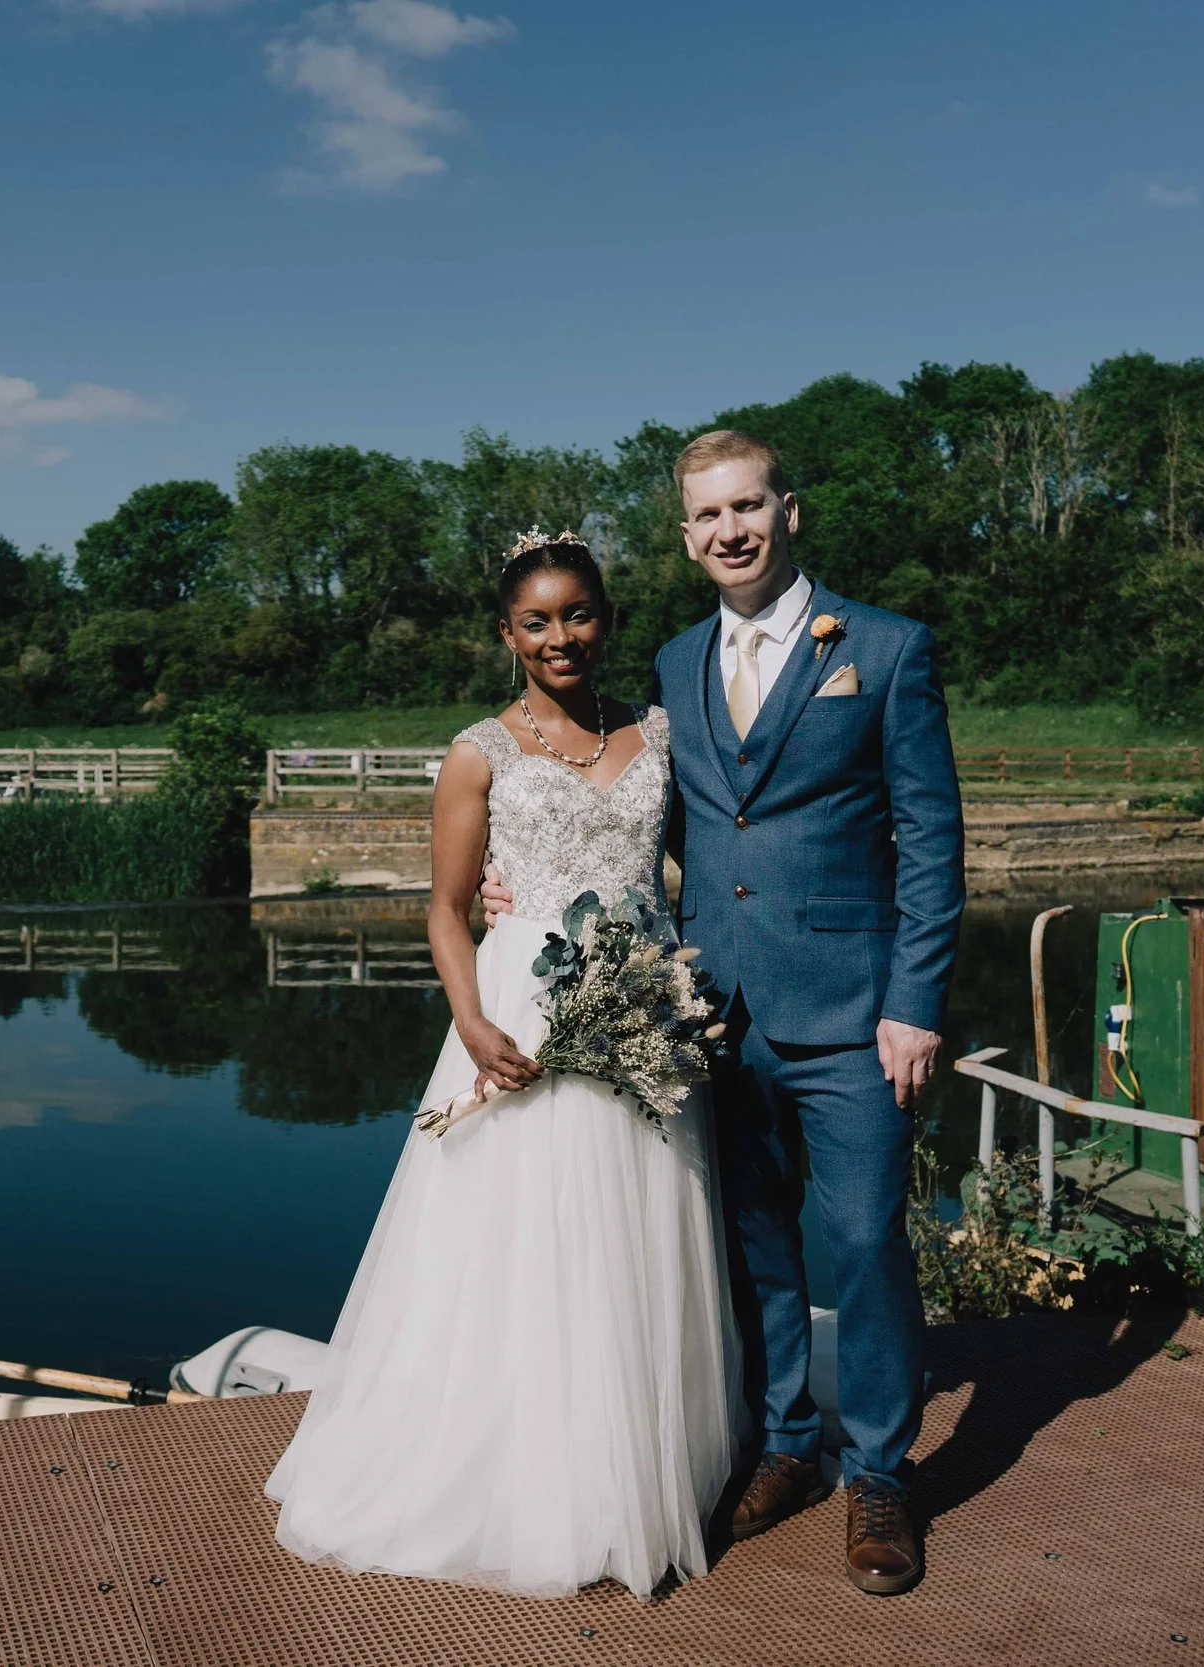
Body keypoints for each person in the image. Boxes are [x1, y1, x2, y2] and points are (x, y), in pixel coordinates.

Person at [484, 431, 963, 1596]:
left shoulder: (887, 648)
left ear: (786, 511)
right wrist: (523, 878)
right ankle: (786, 1445)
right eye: (705, 515)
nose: (728, 529)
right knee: (751, 1248)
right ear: (686, 532)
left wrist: (914, 1001)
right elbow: (656, 820)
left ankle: (879, 1473)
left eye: (746, 506)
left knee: (860, 1240)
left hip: (856, 1014)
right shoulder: (675, 659)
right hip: (715, 1010)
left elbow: (934, 840)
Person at [265, 531, 740, 1601]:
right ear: (506, 633)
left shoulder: (660, 733)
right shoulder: (479, 749)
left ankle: (639, 1467)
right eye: (537, 620)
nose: (560, 635)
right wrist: (473, 1022)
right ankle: (524, 1477)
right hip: (522, 1002)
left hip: (640, 1000)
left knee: (638, 1229)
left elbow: (703, 863)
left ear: (606, 618)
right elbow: (443, 905)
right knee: (520, 1240)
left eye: (577, 613)